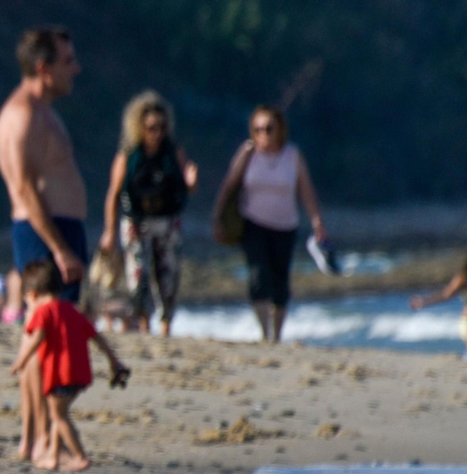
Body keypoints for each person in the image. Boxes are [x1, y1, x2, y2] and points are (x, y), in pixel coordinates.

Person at [0, 25, 89, 457]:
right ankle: (34, 438)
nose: (77, 68)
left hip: (56, 231)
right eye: (68, 61)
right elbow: (25, 189)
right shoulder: (24, 114)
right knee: (41, 337)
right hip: (44, 233)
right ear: (42, 67)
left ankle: (45, 436)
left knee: (52, 339)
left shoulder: (42, 110)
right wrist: (60, 248)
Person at [212, 105, 327, 343]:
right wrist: (217, 217)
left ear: (280, 130)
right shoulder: (248, 153)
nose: (263, 134)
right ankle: (265, 333)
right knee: (258, 274)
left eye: (268, 128)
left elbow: (306, 190)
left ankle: (277, 334)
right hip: (253, 222)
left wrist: (316, 220)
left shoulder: (292, 155)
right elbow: (228, 186)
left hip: (285, 226)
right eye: (258, 129)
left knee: (280, 280)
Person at [9, 261, 129, 472]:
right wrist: (114, 361)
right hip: (79, 377)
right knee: (59, 414)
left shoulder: (43, 313)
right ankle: (52, 457)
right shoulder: (73, 311)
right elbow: (97, 337)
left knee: (59, 417)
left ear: (33, 295)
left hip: (59, 376)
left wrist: (21, 361)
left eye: (27, 302)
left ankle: (79, 456)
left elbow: (38, 338)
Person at [100, 91, 197, 335]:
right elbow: (113, 194)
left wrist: (191, 182)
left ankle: (165, 326)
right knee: (138, 275)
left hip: (167, 220)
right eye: (151, 127)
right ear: (139, 127)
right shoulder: (129, 155)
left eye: (162, 127)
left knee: (168, 274)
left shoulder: (172, 152)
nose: (157, 133)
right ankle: (144, 324)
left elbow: (185, 187)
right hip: (136, 221)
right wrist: (109, 232)